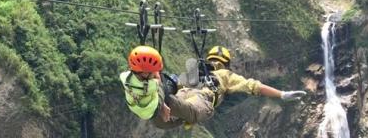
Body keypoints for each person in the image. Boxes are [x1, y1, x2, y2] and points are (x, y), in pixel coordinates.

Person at [120, 45, 307, 129]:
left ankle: (153, 93)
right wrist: (282, 94)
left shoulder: (197, 71)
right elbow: (254, 86)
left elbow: (180, 82)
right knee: (189, 113)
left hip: (182, 94)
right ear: (226, 63)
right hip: (199, 101)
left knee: (160, 118)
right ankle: (161, 96)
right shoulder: (225, 75)